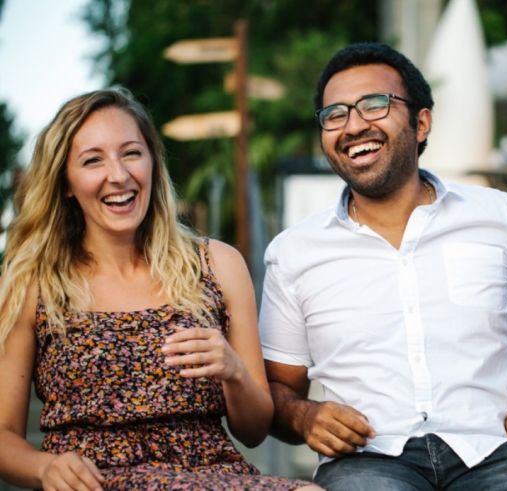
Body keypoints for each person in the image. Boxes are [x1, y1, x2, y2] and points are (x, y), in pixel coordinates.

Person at [259, 43, 507, 491]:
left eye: (374, 104)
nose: (353, 126)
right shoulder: (294, 253)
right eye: (335, 114)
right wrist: (304, 416)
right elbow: (274, 390)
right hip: (368, 462)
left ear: (421, 122)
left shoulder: (496, 215)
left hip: (494, 449)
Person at [0, 89, 318, 491]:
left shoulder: (217, 265)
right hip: (97, 482)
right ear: (65, 183)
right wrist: (44, 467)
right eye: (93, 160)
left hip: (214, 477)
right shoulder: (33, 283)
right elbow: (5, 435)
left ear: (152, 162)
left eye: (131, 153)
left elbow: (253, 431)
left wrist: (233, 371)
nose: (118, 175)